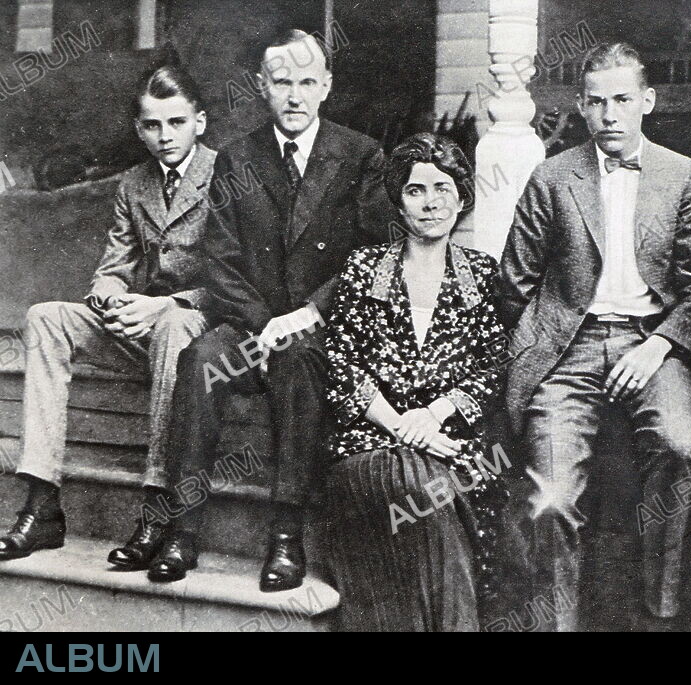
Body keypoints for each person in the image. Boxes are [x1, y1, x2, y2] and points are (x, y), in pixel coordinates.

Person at [148, 29, 393, 591]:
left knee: (299, 366)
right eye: (282, 82)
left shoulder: (359, 156)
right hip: (249, 325)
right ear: (262, 87)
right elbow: (219, 259)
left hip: (317, 327)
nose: (295, 95)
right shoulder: (238, 158)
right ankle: (183, 529)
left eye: (308, 82)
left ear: (327, 86)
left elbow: (373, 254)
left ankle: (286, 535)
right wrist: (262, 324)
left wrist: (307, 313)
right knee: (199, 360)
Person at [498, 42, 691, 631]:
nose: (610, 115)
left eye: (622, 100)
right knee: (550, 497)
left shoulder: (681, 175)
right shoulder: (553, 177)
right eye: (596, 103)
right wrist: (526, 358)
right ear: (580, 107)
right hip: (567, 347)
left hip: (653, 341)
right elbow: (513, 284)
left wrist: (661, 344)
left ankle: (658, 614)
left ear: (647, 100)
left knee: (676, 445)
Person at [0, 65, 215, 569]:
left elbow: (239, 282)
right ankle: (42, 498)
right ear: (139, 130)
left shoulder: (228, 176)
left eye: (177, 122)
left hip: (195, 326)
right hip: (139, 327)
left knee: (174, 325)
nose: (165, 137)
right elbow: (113, 267)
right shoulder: (133, 183)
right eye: (152, 125)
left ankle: (157, 506)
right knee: (46, 317)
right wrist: (109, 299)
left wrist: (163, 305)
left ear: (200, 122)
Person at [323, 132, 507, 631]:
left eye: (443, 188)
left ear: (463, 197)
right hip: (369, 448)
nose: (431, 203)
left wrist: (435, 415)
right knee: (427, 490)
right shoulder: (365, 269)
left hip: (448, 445)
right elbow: (341, 363)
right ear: (398, 203)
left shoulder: (484, 276)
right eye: (415, 190)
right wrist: (403, 425)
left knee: (435, 495)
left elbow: (494, 366)